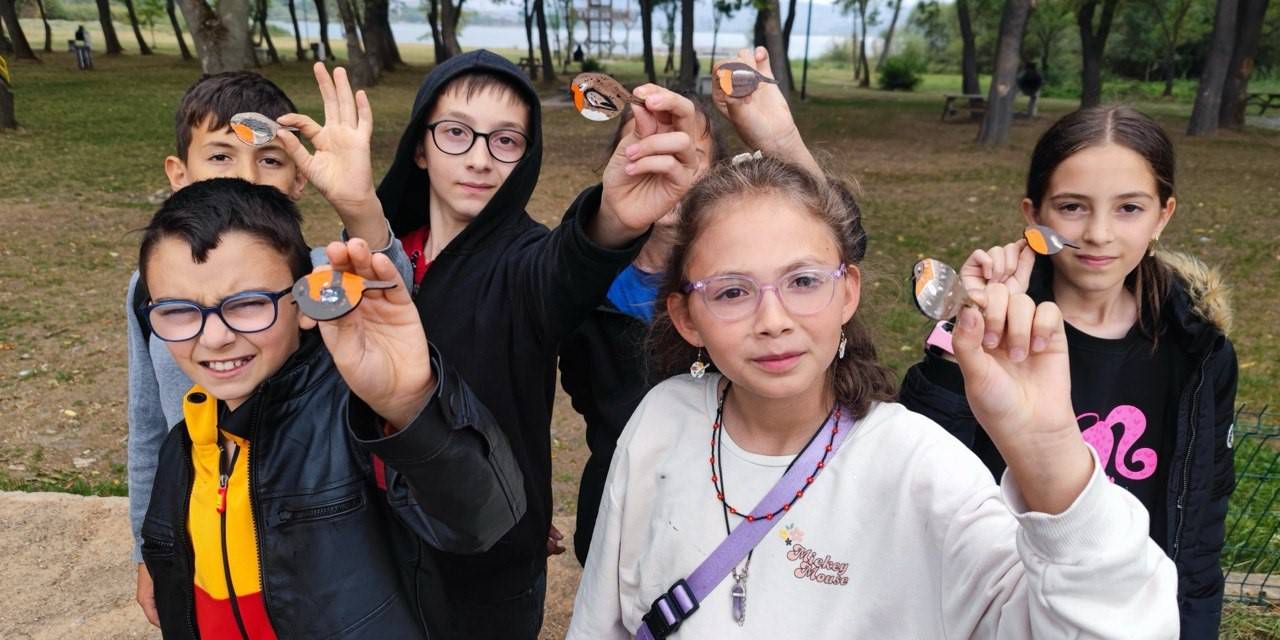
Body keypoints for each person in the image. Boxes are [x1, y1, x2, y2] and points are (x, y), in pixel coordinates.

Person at [566, 112, 1178, 637]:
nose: (772, 319)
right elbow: (601, 619)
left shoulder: (919, 468)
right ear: (685, 315)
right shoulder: (662, 420)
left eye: (804, 281)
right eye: (731, 292)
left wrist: (1048, 452)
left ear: (848, 292)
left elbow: (1115, 623)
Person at [376, 50, 701, 638]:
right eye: (456, 133)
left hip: (488, 558)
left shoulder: (529, 263)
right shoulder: (380, 252)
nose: (479, 159)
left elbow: (567, 269)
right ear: (420, 147)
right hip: (374, 539)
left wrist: (614, 218)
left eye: (506, 141)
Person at [900, 106, 1238, 638]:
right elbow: (920, 476)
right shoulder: (1003, 329)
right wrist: (963, 334)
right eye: (1073, 207)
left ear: (1163, 215)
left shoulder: (1199, 354)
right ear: (1035, 216)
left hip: (1133, 617)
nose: (1099, 233)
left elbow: (1199, 527)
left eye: (1129, 207)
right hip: (1006, 611)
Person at [138, 178, 523, 638]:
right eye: (178, 311)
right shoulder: (183, 445)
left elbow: (480, 521)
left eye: (247, 304)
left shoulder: (355, 420)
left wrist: (410, 406)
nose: (215, 336)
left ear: (304, 303)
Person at [127, 65, 411, 625]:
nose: (249, 176)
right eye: (221, 156)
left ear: (299, 178)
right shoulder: (151, 289)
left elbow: (388, 290)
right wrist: (148, 547)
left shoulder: (319, 275)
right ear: (179, 172)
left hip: (309, 540)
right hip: (202, 536)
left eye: (271, 159)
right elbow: (146, 428)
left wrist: (360, 210)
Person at [561, 97, 725, 566]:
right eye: (646, 150)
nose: (665, 170)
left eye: (686, 157)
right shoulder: (577, 280)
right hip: (615, 503)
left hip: (717, 510)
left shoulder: (739, 284)